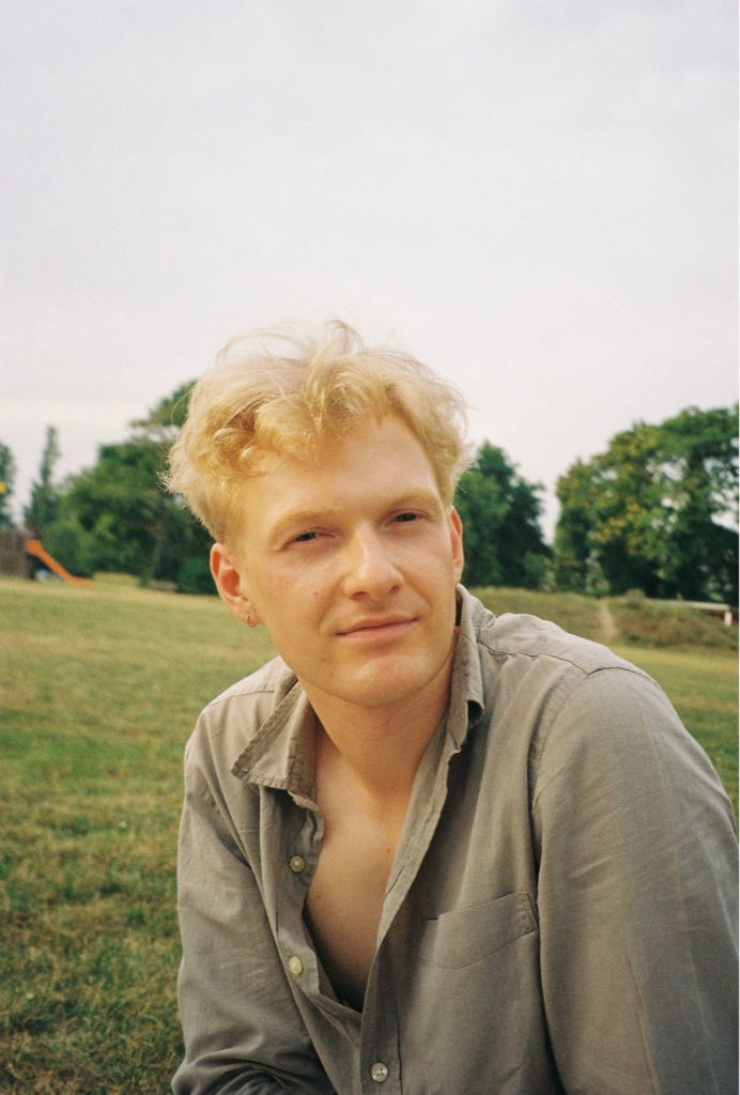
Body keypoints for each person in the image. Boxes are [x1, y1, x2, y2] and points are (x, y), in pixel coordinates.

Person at [166, 321, 738, 1095]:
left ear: (453, 540)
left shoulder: (594, 729)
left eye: (405, 518)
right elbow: (243, 1068)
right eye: (310, 535)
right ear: (236, 584)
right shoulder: (228, 747)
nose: (374, 574)